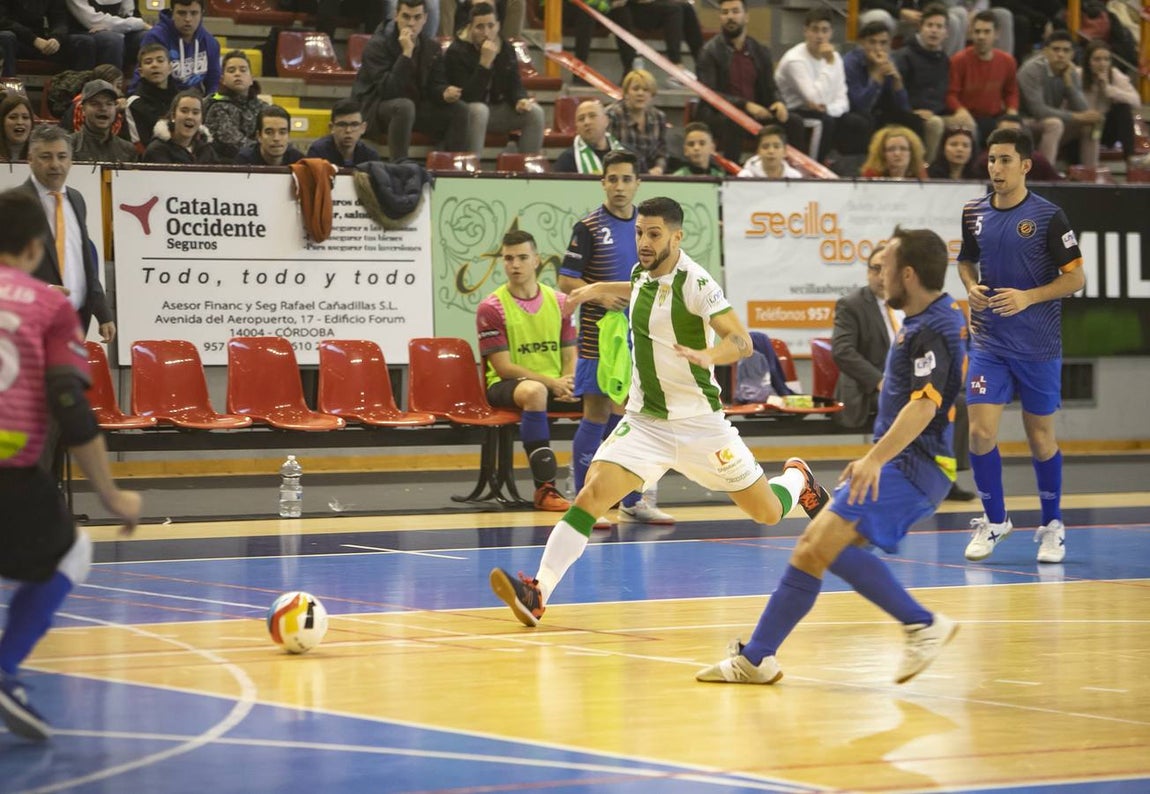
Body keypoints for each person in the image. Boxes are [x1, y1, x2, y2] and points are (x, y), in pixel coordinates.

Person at [490, 196, 831, 627]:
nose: (644, 242)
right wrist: (596, 289)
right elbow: (639, 288)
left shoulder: (697, 282)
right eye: (639, 232)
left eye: (654, 234)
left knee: (766, 511)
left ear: (676, 236)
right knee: (591, 495)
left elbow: (741, 340)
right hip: (646, 422)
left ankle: (798, 479)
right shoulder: (642, 272)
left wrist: (711, 353)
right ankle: (538, 592)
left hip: (701, 427)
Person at [696, 227, 966, 686]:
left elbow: (925, 405)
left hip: (914, 467)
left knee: (818, 545)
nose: (877, 277)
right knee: (816, 549)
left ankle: (922, 625)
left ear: (909, 274)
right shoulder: (925, 321)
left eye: (884, 268)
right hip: (901, 463)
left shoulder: (935, 328)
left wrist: (875, 460)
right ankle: (758, 658)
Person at [0, 187, 142, 742]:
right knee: (73, 551)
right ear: (37, 248)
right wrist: (110, 496)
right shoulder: (50, 306)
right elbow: (69, 403)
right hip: (11, 471)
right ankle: (5, 668)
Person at [959, 126, 1085, 564]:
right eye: (992, 159)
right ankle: (995, 521)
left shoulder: (1050, 217)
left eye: (1006, 160)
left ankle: (1052, 525)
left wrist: (1028, 297)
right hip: (989, 343)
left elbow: (1076, 278)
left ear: (1026, 165)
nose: (997, 167)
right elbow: (965, 261)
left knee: (1040, 438)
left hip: (1038, 345)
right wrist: (972, 287)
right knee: (979, 432)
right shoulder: (973, 211)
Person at [558, 151, 672, 526]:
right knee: (597, 411)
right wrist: (598, 293)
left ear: (638, 182)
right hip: (597, 336)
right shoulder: (588, 227)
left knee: (633, 416)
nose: (620, 186)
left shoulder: (647, 228)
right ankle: (582, 501)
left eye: (627, 179)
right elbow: (566, 280)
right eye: (613, 179)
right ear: (603, 182)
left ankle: (633, 499)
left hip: (638, 335)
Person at [477, 229, 578, 512]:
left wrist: (568, 382)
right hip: (508, 385)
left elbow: (571, 353)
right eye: (509, 259)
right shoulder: (491, 307)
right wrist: (552, 383)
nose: (515, 265)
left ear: (537, 260)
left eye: (522, 257)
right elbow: (504, 366)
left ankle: (607, 486)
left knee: (607, 394)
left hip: (556, 382)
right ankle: (545, 489)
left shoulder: (560, 302)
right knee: (535, 392)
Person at [21, 125, 114, 342]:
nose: (55, 164)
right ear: (30, 159)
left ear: (71, 160)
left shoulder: (77, 199)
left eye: (62, 156)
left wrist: (103, 313)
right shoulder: (14, 205)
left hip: (75, 323)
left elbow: (83, 261)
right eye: (46, 156)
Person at [350, 0, 469, 163]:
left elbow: (436, 84)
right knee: (404, 106)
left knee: (460, 109)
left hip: (415, 107)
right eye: (406, 17)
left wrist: (444, 92)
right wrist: (406, 54)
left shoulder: (431, 47)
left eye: (417, 17)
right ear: (396, 16)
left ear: (425, 18)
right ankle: (400, 165)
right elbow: (388, 90)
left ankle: (452, 166)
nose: (411, 23)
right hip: (376, 109)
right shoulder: (377, 45)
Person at [695, 0, 803, 163]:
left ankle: (796, 172)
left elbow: (770, 87)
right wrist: (745, 105)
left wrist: (779, 102)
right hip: (720, 115)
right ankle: (731, 177)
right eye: (725, 13)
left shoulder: (759, 50)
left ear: (746, 17)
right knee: (736, 122)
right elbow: (709, 94)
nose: (730, 17)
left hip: (755, 113)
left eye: (735, 11)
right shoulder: (709, 51)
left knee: (794, 121)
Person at [444, 2, 543, 159]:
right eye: (480, 27)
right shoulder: (456, 51)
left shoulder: (505, 48)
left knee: (535, 113)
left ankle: (526, 170)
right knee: (479, 110)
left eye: (491, 26)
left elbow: (515, 82)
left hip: (495, 111)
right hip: (466, 113)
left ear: (498, 26)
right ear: (470, 27)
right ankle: (471, 169)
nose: (486, 32)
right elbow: (468, 96)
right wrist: (484, 64)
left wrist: (520, 99)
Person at [774, 7, 869, 160]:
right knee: (824, 122)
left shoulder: (835, 57)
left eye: (824, 31)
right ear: (805, 31)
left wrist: (827, 108)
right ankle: (813, 169)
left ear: (831, 33)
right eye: (815, 30)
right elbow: (814, 98)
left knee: (859, 121)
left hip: (824, 110)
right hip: (794, 111)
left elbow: (843, 100)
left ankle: (851, 168)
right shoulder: (795, 60)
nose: (820, 36)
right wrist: (829, 64)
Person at [1017, 30, 1101, 168]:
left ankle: (1090, 174)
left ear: (1072, 54)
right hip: (1024, 122)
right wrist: (1077, 117)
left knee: (1092, 123)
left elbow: (1084, 110)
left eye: (1066, 50)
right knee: (1054, 124)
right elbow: (1038, 110)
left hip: (1051, 122)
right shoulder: (1031, 70)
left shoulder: (1070, 71)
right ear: (1045, 52)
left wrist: (1069, 85)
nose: (1061, 54)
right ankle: (1045, 175)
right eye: (1056, 49)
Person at [892, 4, 955, 163]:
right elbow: (896, 93)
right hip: (910, 113)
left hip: (935, 112)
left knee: (966, 123)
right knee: (935, 124)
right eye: (930, 25)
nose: (934, 30)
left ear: (946, 33)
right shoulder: (903, 56)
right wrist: (915, 110)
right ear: (920, 28)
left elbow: (942, 92)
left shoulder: (944, 59)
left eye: (939, 26)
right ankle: (927, 171)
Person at [946, 10, 1019, 146]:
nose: (981, 36)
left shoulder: (1007, 61)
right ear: (971, 33)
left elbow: (1011, 92)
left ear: (996, 34)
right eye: (977, 31)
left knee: (1017, 129)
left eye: (986, 32)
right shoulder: (959, 60)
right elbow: (951, 94)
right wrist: (960, 110)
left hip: (996, 116)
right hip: (969, 115)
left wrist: (1012, 111)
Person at [844, 21, 923, 145]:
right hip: (854, 115)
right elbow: (860, 106)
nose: (878, 48)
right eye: (872, 42)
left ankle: (918, 162)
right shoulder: (850, 63)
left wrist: (897, 81)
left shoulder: (889, 60)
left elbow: (904, 107)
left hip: (880, 112)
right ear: (862, 43)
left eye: (883, 43)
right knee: (865, 120)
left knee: (914, 120)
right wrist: (877, 75)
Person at [132, 0, 220, 94]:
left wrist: (212, 103)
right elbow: (142, 76)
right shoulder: (155, 37)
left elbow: (214, 83)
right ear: (172, 13)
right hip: (159, 101)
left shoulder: (210, 42)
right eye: (181, 13)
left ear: (202, 14)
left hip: (194, 103)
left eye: (194, 13)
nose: (188, 19)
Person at [1080, 40, 1140, 176]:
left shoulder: (1114, 74)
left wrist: (1108, 89)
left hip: (1106, 127)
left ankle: (1130, 158)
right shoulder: (1079, 74)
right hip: (1083, 126)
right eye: (1097, 59)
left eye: (1106, 59)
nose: (1102, 64)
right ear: (1088, 61)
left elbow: (1136, 101)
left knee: (1123, 108)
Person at [203, 50, 271, 161]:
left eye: (243, 70)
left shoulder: (263, 108)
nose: (237, 74)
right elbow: (234, 143)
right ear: (223, 80)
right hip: (226, 167)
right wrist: (267, 150)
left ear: (251, 79)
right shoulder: (217, 107)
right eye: (231, 70)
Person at [0, 0, 97, 76]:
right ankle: (7, 95)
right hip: (16, 40)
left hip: (41, 42)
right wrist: (33, 39)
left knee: (83, 42)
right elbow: (3, 21)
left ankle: (78, 94)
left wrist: (56, 38)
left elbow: (60, 19)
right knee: (5, 37)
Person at [605, 69, 668, 175]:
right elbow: (608, 152)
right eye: (635, 89)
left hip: (651, 177)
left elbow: (661, 151)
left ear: (652, 94)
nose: (640, 93)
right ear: (626, 93)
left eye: (645, 90)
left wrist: (659, 168)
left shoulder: (659, 117)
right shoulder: (612, 115)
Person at [553, 99, 638, 174]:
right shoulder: (566, 161)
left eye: (592, 116)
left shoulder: (630, 154)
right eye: (581, 119)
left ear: (606, 121)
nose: (587, 122)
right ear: (577, 128)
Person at [63, 0, 149, 72]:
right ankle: (110, 85)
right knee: (112, 40)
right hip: (84, 31)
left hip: (117, 27)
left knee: (145, 36)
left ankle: (143, 87)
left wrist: (112, 26)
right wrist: (138, 24)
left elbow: (128, 14)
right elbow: (92, 21)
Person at [972, 114, 1061, 180]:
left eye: (1014, 132)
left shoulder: (1037, 160)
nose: (1009, 137)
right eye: (1005, 132)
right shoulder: (984, 162)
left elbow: (1059, 184)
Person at [125, 42, 179, 151]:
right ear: (141, 72)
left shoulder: (181, 100)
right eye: (148, 62)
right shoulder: (134, 103)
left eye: (160, 60)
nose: (154, 65)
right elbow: (138, 145)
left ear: (170, 68)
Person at [70, 78, 137, 163]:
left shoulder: (128, 150)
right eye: (95, 104)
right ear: (83, 110)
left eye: (109, 104)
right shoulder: (68, 146)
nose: (103, 108)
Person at [142, 90, 218, 164]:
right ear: (173, 116)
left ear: (201, 119)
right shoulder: (157, 150)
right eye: (184, 111)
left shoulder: (207, 150)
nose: (190, 116)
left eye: (195, 112)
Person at [306, 99, 381, 167]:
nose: (348, 130)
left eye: (354, 124)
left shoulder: (370, 156)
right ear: (331, 127)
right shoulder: (318, 153)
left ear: (363, 128)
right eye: (342, 124)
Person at [234, 105, 303, 166]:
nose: (276, 138)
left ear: (288, 136)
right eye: (269, 132)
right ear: (259, 136)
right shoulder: (244, 161)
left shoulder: (298, 161)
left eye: (282, 132)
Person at [860, 124, 928, 179]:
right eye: (891, 149)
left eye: (903, 149)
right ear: (882, 153)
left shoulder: (919, 173)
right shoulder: (871, 176)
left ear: (912, 152)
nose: (897, 153)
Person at [738, 124, 803, 178]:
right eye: (765, 147)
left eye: (776, 147)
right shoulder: (745, 176)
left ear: (785, 151)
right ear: (758, 152)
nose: (771, 151)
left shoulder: (795, 177)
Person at [0, 91, 33, 161]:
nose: (20, 122)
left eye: (25, 117)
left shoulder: (41, 152)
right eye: (13, 117)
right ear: (2, 122)